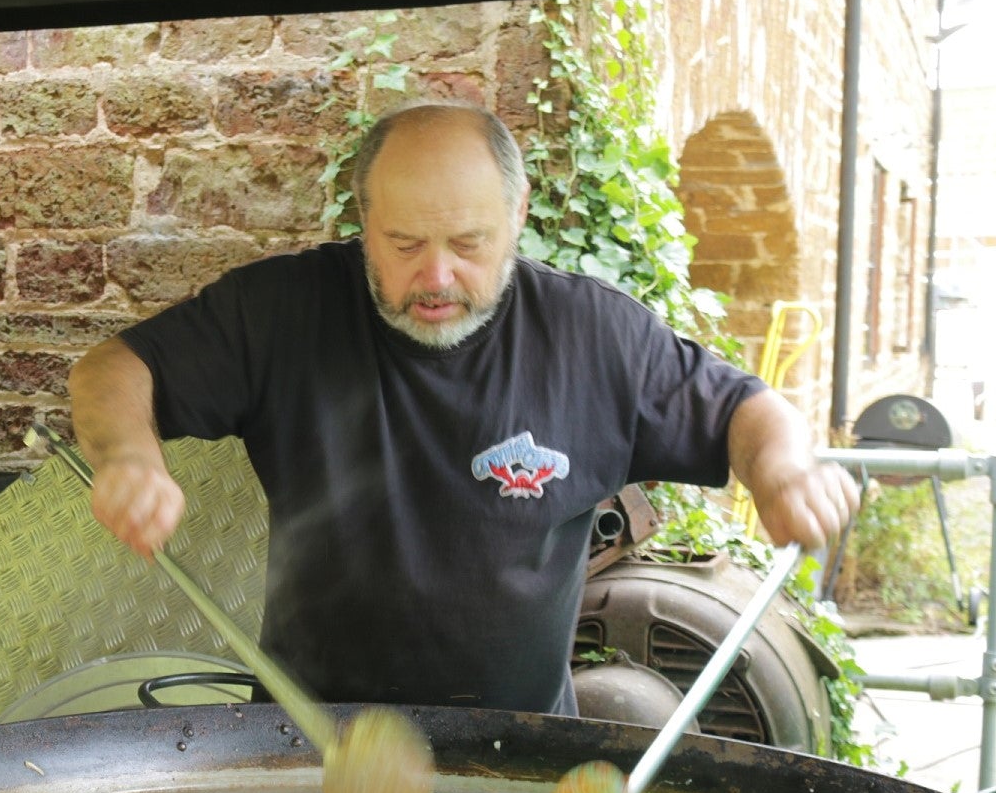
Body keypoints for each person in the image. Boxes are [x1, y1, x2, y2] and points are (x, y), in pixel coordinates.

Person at [69, 100, 858, 716]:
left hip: (516, 750)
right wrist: (128, 456)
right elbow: (114, 368)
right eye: (404, 243)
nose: (436, 276)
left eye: (469, 243)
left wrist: (783, 470)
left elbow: (743, 412)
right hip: (307, 747)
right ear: (365, 223)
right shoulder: (285, 312)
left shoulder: (594, 337)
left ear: (516, 218)